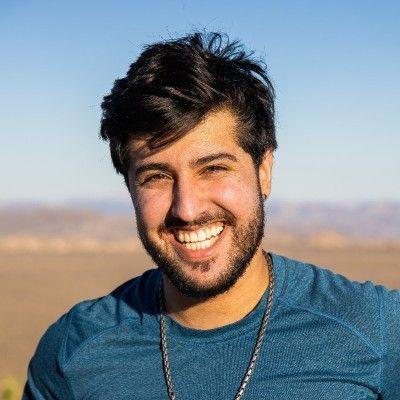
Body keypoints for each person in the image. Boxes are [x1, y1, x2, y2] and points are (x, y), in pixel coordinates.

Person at [23, 32, 400, 400]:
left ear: (263, 171)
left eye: (214, 168)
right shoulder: (74, 354)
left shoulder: (376, 330)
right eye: (156, 177)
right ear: (130, 188)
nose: (186, 209)